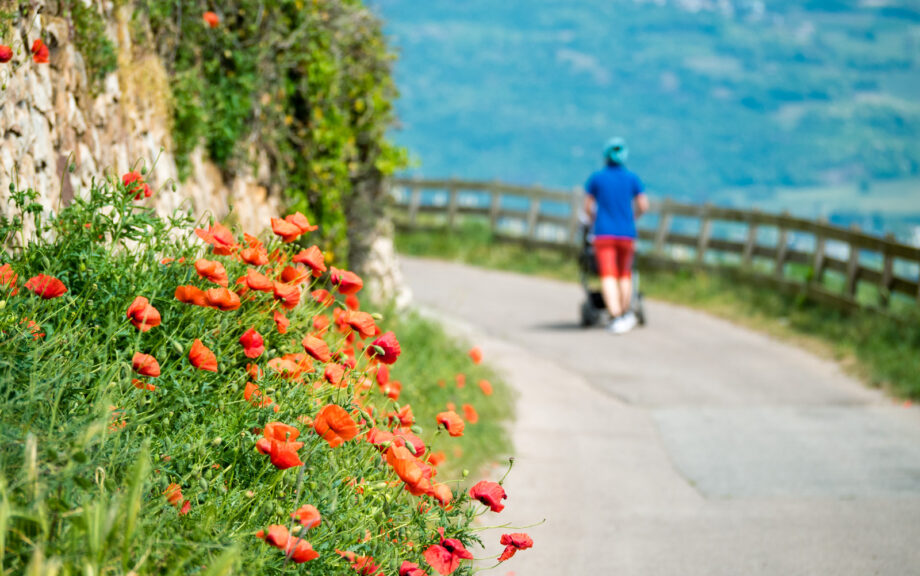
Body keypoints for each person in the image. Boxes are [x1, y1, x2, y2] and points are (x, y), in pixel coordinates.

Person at [583, 137, 649, 334]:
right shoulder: (632, 178)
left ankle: (616, 315)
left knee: (608, 275)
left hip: (603, 233)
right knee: (625, 274)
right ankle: (626, 314)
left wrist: (595, 219)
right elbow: (643, 205)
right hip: (627, 233)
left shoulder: (597, 178)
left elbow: (587, 207)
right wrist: (633, 218)